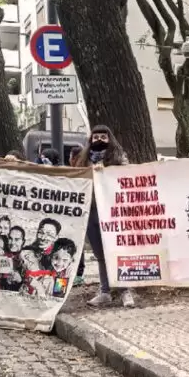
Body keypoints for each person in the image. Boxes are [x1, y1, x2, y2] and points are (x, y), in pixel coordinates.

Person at [73, 125, 135, 309]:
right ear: (90, 140)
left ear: (110, 139)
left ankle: (125, 291)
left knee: (117, 251)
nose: (99, 139)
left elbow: (127, 177)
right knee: (100, 255)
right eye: (96, 136)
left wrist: (107, 172)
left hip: (114, 212)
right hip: (92, 211)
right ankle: (105, 291)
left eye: (103, 136)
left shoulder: (119, 158)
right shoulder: (83, 161)